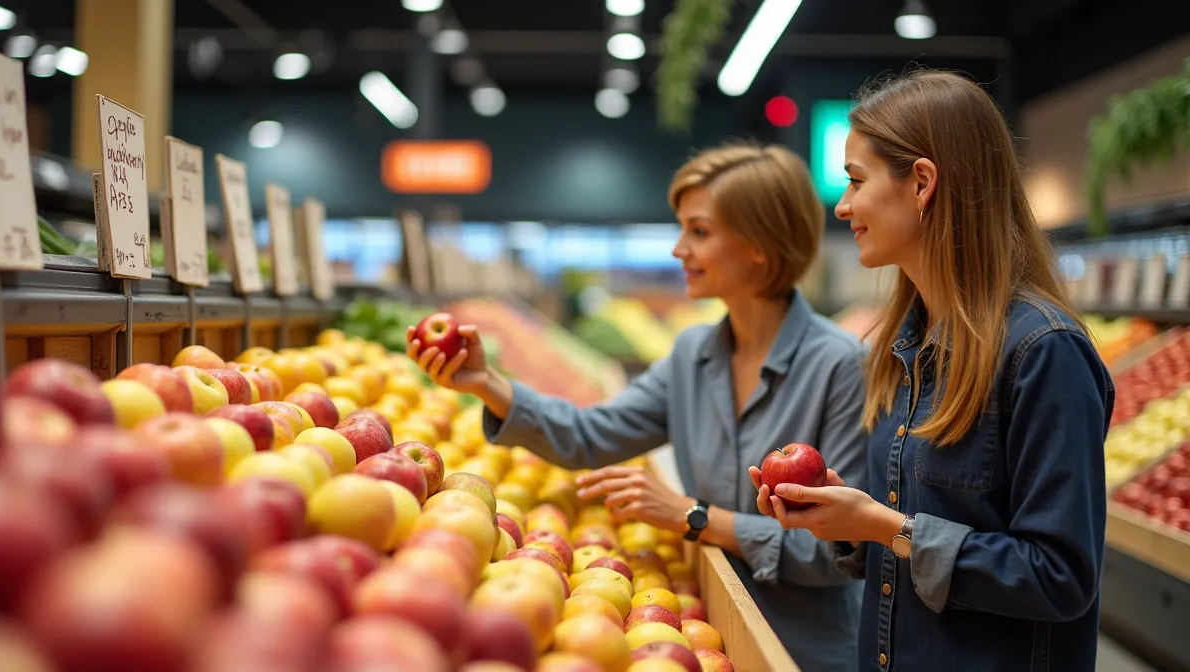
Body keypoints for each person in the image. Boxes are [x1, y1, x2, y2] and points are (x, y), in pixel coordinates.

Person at [408, 143, 868, 672]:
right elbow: (591, 435)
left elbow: (834, 553)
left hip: (805, 651)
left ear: (759, 245)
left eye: (699, 231)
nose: (678, 249)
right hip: (709, 630)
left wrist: (693, 516)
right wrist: (486, 382)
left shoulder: (840, 365)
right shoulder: (693, 355)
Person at [749, 70, 1114, 671]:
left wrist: (886, 526)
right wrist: (850, 523)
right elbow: (911, 538)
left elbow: (1060, 576)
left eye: (856, 180)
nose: (842, 205)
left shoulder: (1044, 353)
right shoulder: (902, 347)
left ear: (921, 182)